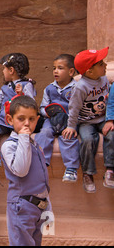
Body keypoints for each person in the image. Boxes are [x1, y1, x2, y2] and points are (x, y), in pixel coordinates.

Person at [1, 95, 51, 246]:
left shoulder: (34, 143)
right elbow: (21, 170)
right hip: (22, 205)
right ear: (10, 120)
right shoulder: (9, 145)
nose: (27, 123)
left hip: (39, 206)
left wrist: (48, 206)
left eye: (31, 119)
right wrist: (23, 138)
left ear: (37, 119)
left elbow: (42, 178)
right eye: (21, 119)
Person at [62, 47, 114, 192]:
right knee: (88, 140)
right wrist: (71, 126)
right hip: (86, 121)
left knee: (111, 134)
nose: (105, 66)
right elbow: (74, 108)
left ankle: (110, 170)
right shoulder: (80, 87)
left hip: (103, 118)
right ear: (90, 72)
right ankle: (88, 173)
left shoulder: (103, 78)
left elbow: (108, 93)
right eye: (101, 64)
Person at [34, 54, 80, 182]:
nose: (55, 71)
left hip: (69, 119)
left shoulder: (77, 88)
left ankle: (71, 168)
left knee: (68, 136)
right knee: (44, 133)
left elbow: (78, 108)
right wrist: (47, 113)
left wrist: (72, 124)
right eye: (54, 68)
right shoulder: (49, 88)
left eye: (60, 68)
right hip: (52, 119)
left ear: (71, 71)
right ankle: (41, 164)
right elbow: (43, 107)